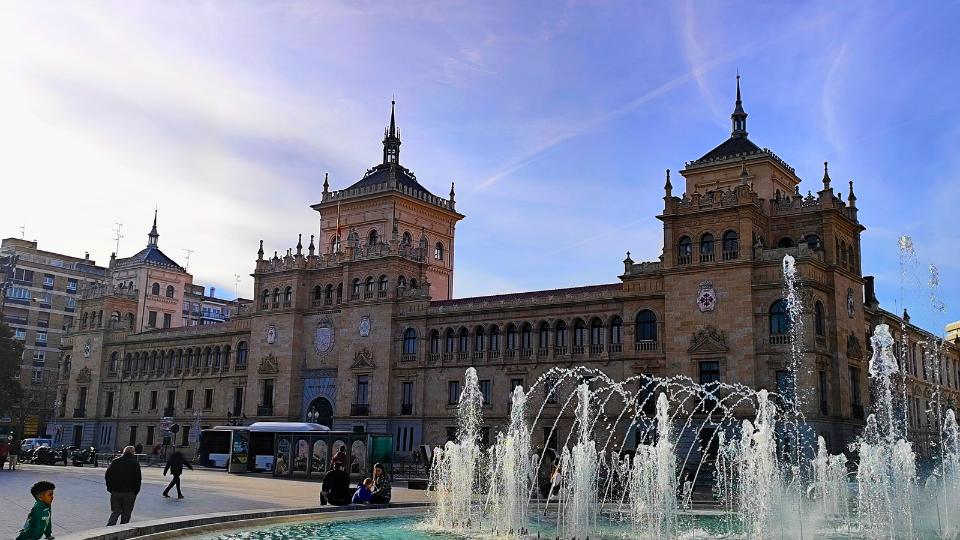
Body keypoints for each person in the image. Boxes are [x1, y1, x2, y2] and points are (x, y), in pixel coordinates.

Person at [105, 446, 142, 526]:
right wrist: (136, 491)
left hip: (116, 491)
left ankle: (109, 528)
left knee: (115, 511)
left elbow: (108, 475)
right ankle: (122, 530)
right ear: (133, 453)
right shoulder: (135, 463)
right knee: (126, 513)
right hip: (129, 492)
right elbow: (138, 479)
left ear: (123, 452)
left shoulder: (115, 462)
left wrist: (110, 488)